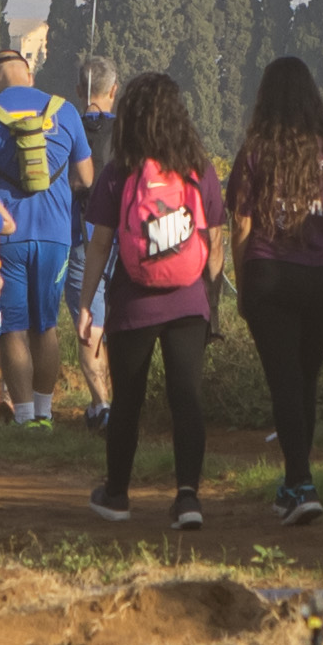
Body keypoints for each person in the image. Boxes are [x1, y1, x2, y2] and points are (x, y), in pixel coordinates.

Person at [225, 55, 323, 529]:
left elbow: (241, 223)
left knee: (285, 384)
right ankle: (294, 483)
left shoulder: (257, 148)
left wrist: (241, 283)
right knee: (304, 380)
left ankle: (302, 482)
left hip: (271, 275)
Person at [90, 70, 227, 532]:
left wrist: (87, 303)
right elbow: (215, 242)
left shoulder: (119, 171)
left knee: (127, 400)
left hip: (134, 303)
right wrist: (209, 299)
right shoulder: (199, 168)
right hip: (188, 302)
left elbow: (100, 243)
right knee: (186, 397)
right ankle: (188, 497)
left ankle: (117, 494)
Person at [0, 44, 89, 429]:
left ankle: (22, 416)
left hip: (8, 236)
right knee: (47, 326)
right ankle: (44, 412)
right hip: (56, 235)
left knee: (13, 327)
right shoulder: (64, 111)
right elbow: (87, 179)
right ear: (30, 75)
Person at [68, 53, 125, 419]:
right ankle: (119, 400)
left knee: (88, 317)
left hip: (80, 232)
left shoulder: (66, 124)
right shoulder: (128, 131)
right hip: (124, 231)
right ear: (114, 91)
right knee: (120, 317)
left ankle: (101, 402)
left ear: (78, 90)